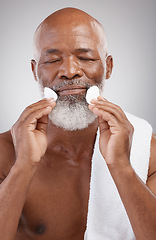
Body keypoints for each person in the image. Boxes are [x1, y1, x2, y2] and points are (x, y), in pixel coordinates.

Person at [0, 7, 156, 240]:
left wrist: (122, 166)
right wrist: (23, 166)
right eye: (52, 60)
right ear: (34, 71)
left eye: (85, 58)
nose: (70, 71)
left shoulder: (148, 153)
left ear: (108, 66)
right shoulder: (5, 154)